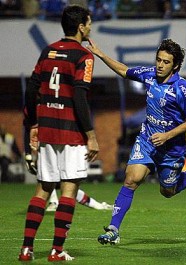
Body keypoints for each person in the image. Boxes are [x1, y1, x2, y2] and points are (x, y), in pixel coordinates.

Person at [86, 38, 186, 245]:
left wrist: (167, 136)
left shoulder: (183, 88)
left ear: (176, 66)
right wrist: (101, 55)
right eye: (158, 60)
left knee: (167, 191)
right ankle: (113, 229)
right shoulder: (150, 75)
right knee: (131, 179)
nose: (160, 65)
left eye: (166, 62)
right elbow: (125, 71)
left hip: (171, 149)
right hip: (147, 141)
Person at [18, 5, 99, 262]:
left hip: (48, 131)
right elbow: (79, 95)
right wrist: (91, 135)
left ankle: (26, 249)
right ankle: (56, 250)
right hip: (71, 133)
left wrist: (32, 123)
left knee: (43, 190)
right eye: (89, 23)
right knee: (68, 191)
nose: (90, 27)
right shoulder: (84, 56)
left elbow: (32, 90)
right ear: (81, 26)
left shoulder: (48, 51)